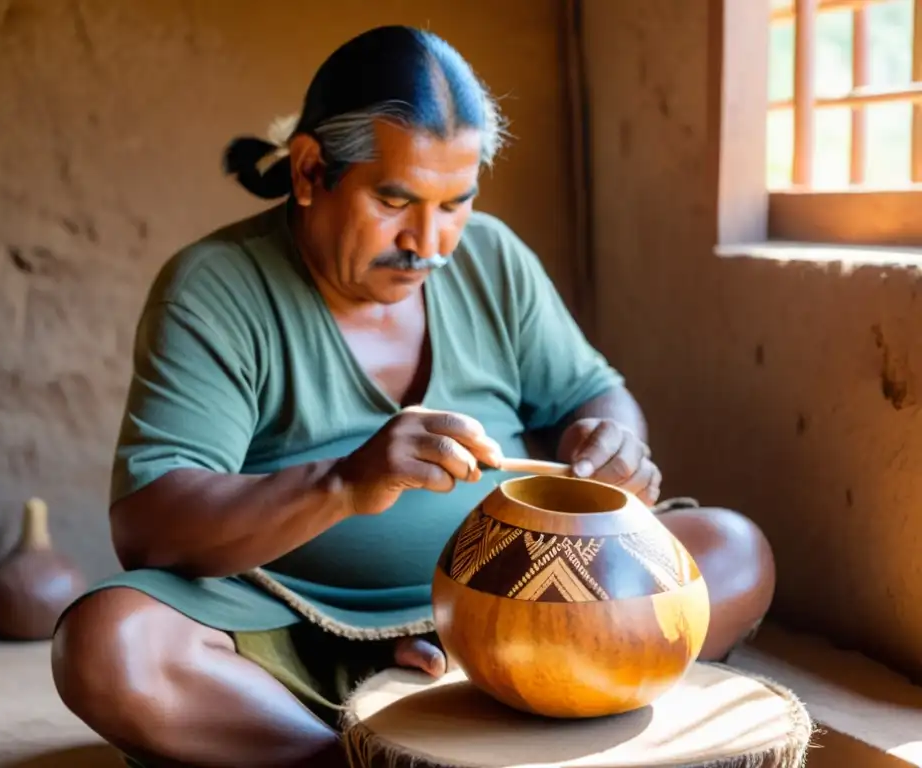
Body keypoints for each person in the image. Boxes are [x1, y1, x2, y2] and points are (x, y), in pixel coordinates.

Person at [50, 24, 776, 768]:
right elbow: (149, 524)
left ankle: (478, 699)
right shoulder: (216, 288)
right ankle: (364, 758)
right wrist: (343, 483)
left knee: (730, 553)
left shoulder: (492, 257)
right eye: (395, 201)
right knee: (110, 645)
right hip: (295, 626)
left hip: (513, 620)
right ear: (309, 172)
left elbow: (593, 393)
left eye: (455, 202)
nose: (429, 242)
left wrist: (611, 442)